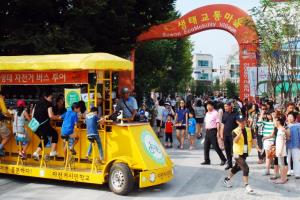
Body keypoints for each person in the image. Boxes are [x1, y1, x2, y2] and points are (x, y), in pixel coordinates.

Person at [223, 115, 258, 194]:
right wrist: (239, 134)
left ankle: (227, 179)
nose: (242, 123)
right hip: (236, 153)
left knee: (237, 167)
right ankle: (247, 185)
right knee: (245, 168)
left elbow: (253, 139)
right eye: (241, 121)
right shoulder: (235, 131)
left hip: (244, 152)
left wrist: (257, 147)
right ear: (237, 122)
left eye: (244, 121)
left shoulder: (249, 130)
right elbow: (235, 141)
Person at [32, 91, 60, 160]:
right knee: (54, 133)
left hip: (34, 126)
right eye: (50, 98)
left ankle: (36, 153)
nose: (51, 100)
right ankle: (52, 151)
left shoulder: (37, 103)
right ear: (45, 97)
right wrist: (58, 117)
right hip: (43, 125)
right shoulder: (48, 104)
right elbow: (51, 116)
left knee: (45, 139)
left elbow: (32, 114)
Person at [201, 101, 227, 166]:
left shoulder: (215, 113)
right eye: (207, 106)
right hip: (207, 131)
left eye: (209, 105)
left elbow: (218, 123)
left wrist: (218, 132)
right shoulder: (207, 113)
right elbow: (206, 122)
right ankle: (207, 160)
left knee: (215, 146)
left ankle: (223, 159)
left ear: (212, 106)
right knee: (206, 146)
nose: (208, 107)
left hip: (213, 131)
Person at [257, 110, 275, 176]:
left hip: (273, 140)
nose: (269, 116)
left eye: (270, 114)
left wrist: (274, 117)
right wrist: (262, 114)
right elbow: (258, 124)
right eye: (268, 115)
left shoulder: (275, 122)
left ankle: (275, 170)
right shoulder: (265, 122)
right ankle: (267, 170)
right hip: (267, 141)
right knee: (268, 156)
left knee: (274, 156)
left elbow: (275, 125)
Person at [221, 101, 238, 170]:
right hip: (226, 135)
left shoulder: (236, 114)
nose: (225, 108)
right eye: (224, 106)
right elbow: (222, 125)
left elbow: (240, 124)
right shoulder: (224, 114)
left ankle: (237, 164)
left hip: (233, 135)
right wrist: (221, 134)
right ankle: (229, 164)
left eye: (226, 106)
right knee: (227, 150)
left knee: (235, 151)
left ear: (230, 106)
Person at [272, 114, 288, 184]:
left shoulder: (281, 130)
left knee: (281, 165)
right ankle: (283, 178)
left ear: (278, 122)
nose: (274, 123)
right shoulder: (281, 129)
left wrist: (280, 151)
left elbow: (282, 141)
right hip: (280, 150)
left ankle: (282, 179)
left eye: (275, 121)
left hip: (281, 151)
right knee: (282, 164)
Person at [286, 112, 300, 179]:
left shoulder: (298, 125)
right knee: (287, 158)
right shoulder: (286, 125)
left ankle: (297, 173)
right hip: (287, 145)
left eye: (291, 117)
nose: (290, 118)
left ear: (294, 118)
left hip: (296, 144)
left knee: (296, 159)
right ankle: (288, 171)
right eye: (289, 116)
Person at [0, 91, 10, 156]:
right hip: (0, 123)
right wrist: (10, 116)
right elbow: (5, 111)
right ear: (2, 96)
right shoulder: (0, 100)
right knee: (7, 136)